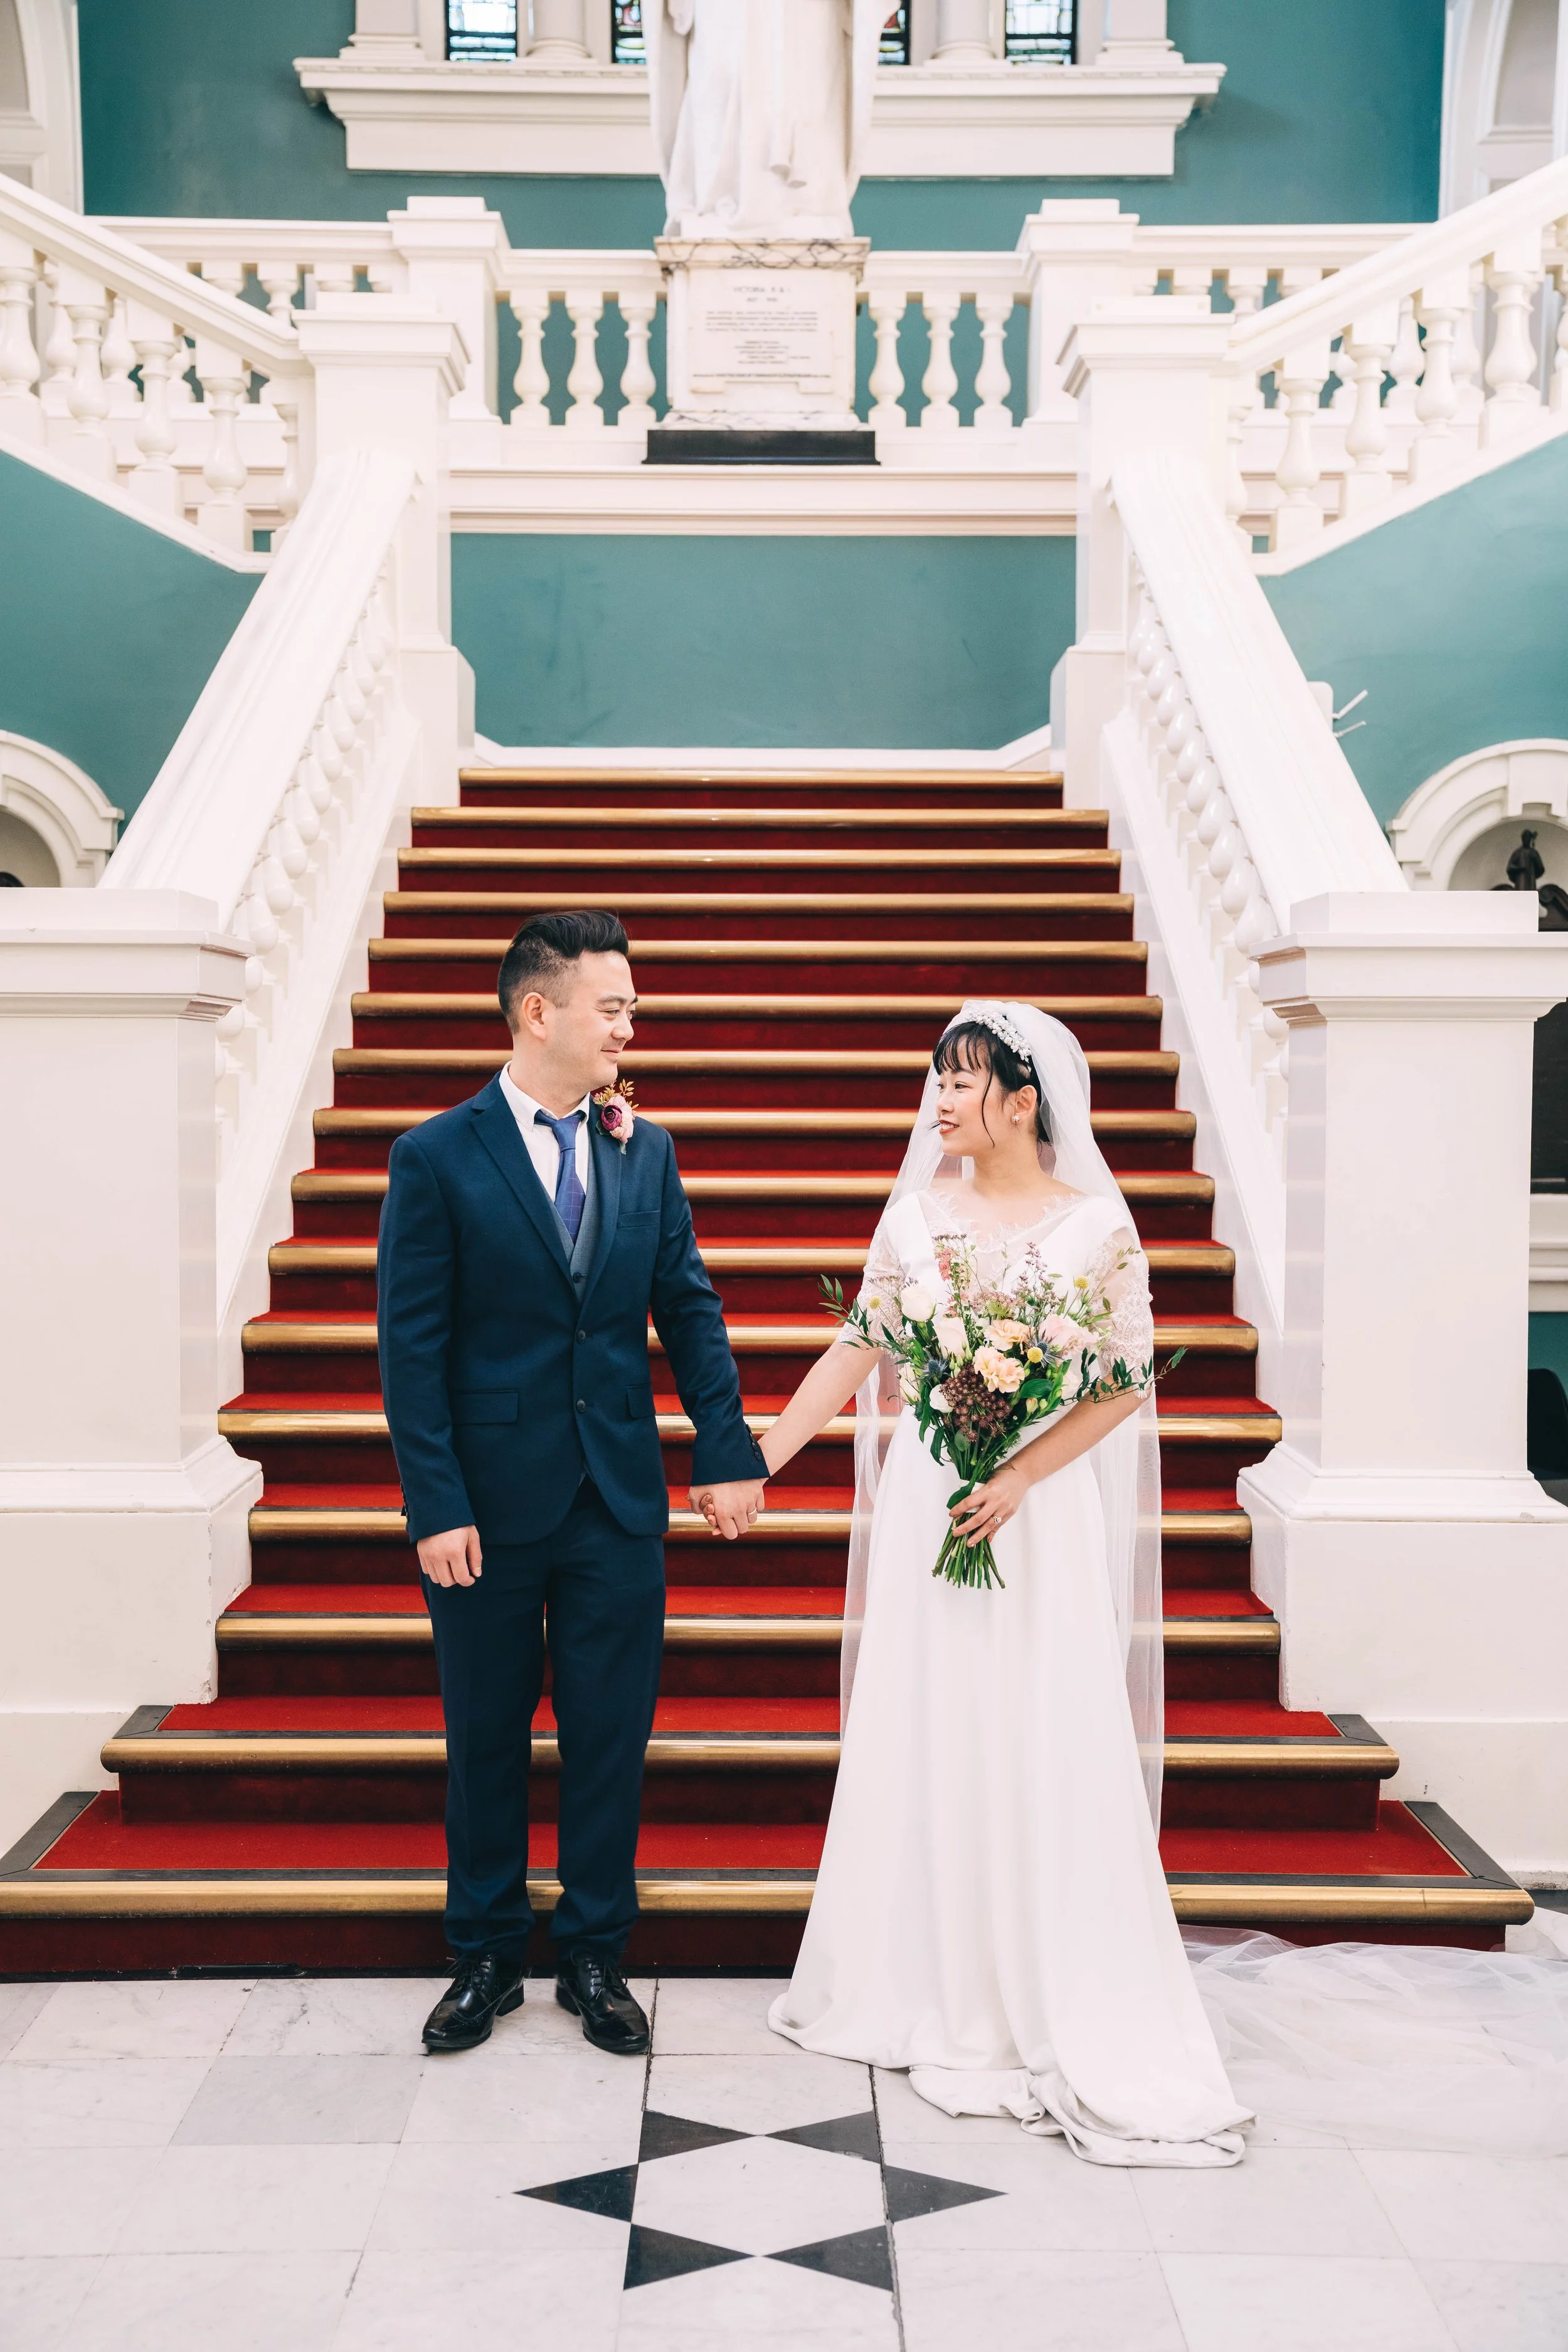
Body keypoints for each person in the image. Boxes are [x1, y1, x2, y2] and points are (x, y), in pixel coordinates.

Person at [755, 999, 1252, 2165]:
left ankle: (1044, 1974)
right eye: (935, 1080)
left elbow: (1126, 1379)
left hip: (1034, 1517)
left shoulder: (1095, 1230)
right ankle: (921, 1969)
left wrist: (1023, 1471)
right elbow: (859, 1346)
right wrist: (757, 1454)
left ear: (1024, 1102)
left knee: (1039, 1727)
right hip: (937, 1497)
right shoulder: (918, 1220)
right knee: (932, 1720)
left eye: (959, 1082)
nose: (936, 1102)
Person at [378, 909, 767, 2056]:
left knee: (609, 1732)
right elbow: (412, 1347)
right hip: (485, 1506)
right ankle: (487, 1952)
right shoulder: (436, 1155)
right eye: (614, 1005)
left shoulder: (644, 1148)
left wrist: (728, 1444)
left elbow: (686, 1305)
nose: (629, 1025)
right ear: (538, 1011)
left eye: (632, 1007)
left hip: (616, 1496)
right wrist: (434, 1499)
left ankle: (597, 1950)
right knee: (484, 1732)